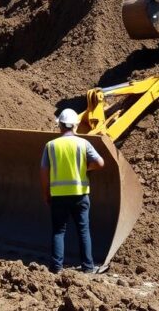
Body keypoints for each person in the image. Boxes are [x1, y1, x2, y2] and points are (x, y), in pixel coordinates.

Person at [40, 108, 105, 273]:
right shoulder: (83, 143)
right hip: (80, 195)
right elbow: (100, 163)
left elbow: (44, 172)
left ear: (60, 126)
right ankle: (88, 267)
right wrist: (85, 168)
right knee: (83, 231)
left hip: (58, 197)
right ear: (75, 126)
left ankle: (56, 267)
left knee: (58, 231)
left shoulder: (51, 146)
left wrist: (46, 194)